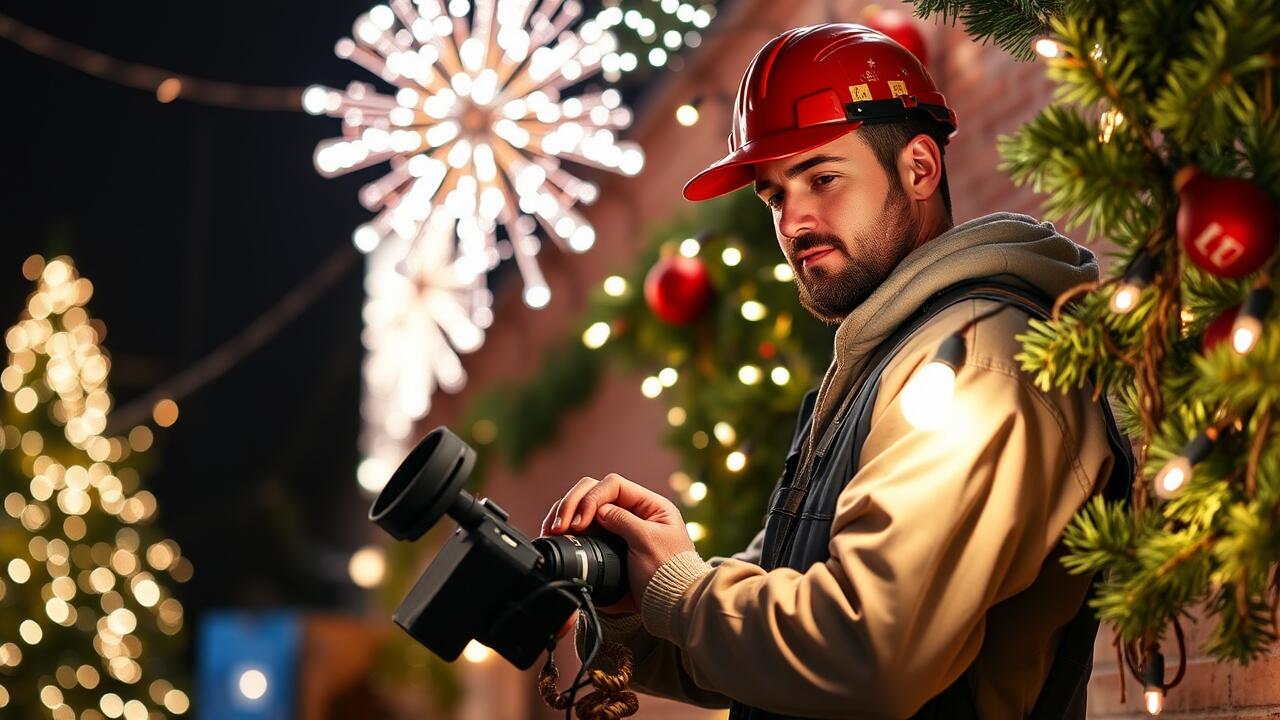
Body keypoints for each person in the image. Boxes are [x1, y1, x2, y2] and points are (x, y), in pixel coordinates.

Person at [542, 23, 1128, 720]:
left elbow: (869, 652)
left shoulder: (977, 360)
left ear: (919, 168)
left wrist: (683, 590)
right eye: (774, 196)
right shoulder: (882, 368)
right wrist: (635, 599)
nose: (794, 221)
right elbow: (763, 646)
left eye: (822, 177)